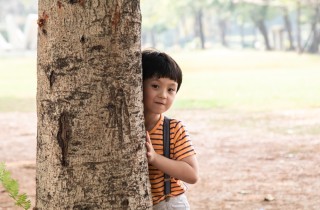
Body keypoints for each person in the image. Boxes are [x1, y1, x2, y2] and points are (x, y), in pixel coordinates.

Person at [142, 49, 199, 210]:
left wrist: (154, 158)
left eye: (170, 89)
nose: (163, 95)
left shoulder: (173, 129)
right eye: (155, 86)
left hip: (169, 204)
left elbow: (192, 174)